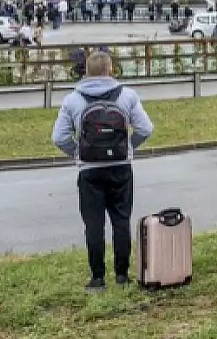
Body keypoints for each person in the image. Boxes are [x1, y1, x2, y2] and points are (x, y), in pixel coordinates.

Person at [51, 51, 154, 292]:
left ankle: (97, 278)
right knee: (121, 220)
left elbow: (59, 137)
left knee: (94, 224)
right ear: (111, 69)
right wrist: (129, 147)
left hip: (89, 170)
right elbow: (146, 128)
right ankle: (121, 275)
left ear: (86, 71)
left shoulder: (72, 100)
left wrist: (78, 152)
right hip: (120, 167)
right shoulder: (127, 95)